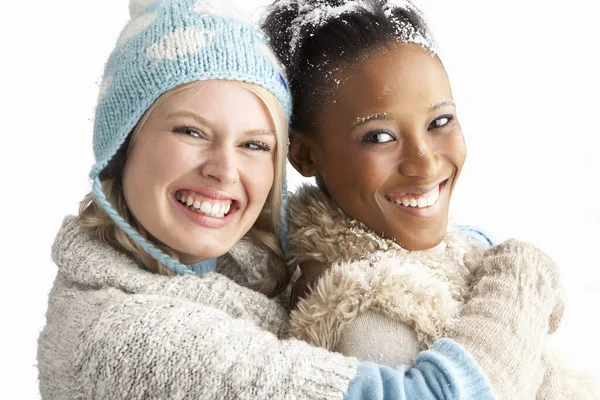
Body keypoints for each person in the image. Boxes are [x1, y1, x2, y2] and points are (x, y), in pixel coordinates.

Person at [38, 0, 562, 398]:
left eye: (253, 145)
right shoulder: (127, 338)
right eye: (191, 132)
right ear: (121, 145)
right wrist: (520, 275)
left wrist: (468, 251)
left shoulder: (236, 261)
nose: (224, 170)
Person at [261, 0, 597, 398]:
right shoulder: (366, 317)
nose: (424, 162)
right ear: (303, 152)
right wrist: (523, 278)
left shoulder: (456, 252)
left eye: (440, 122)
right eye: (379, 136)